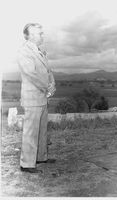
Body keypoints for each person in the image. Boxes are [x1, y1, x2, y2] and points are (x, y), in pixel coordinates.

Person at [17, 23, 56, 173]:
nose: (42, 36)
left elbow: (47, 71)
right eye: (40, 33)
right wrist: (47, 87)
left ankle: (41, 157)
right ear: (31, 35)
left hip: (42, 97)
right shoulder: (24, 52)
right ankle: (26, 164)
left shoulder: (39, 51)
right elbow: (31, 75)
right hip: (32, 98)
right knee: (31, 131)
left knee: (41, 130)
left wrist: (53, 84)